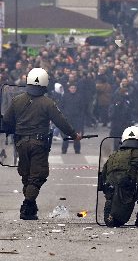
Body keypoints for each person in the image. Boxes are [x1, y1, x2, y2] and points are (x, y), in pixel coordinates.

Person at [3, 68, 82, 220]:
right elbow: (61, 122)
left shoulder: (17, 100)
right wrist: (73, 135)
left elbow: (6, 120)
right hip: (38, 143)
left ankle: (31, 207)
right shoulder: (48, 103)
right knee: (37, 176)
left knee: (26, 175)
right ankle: (27, 206)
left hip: (20, 143)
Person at [60, 84, 85, 154]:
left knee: (76, 135)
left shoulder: (79, 97)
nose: (73, 89)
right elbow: (61, 106)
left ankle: (77, 150)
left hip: (76, 118)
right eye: (71, 88)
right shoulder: (65, 96)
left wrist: (81, 118)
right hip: (67, 118)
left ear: (76, 89)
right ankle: (64, 150)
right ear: (69, 89)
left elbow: (82, 109)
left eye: (74, 88)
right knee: (65, 135)